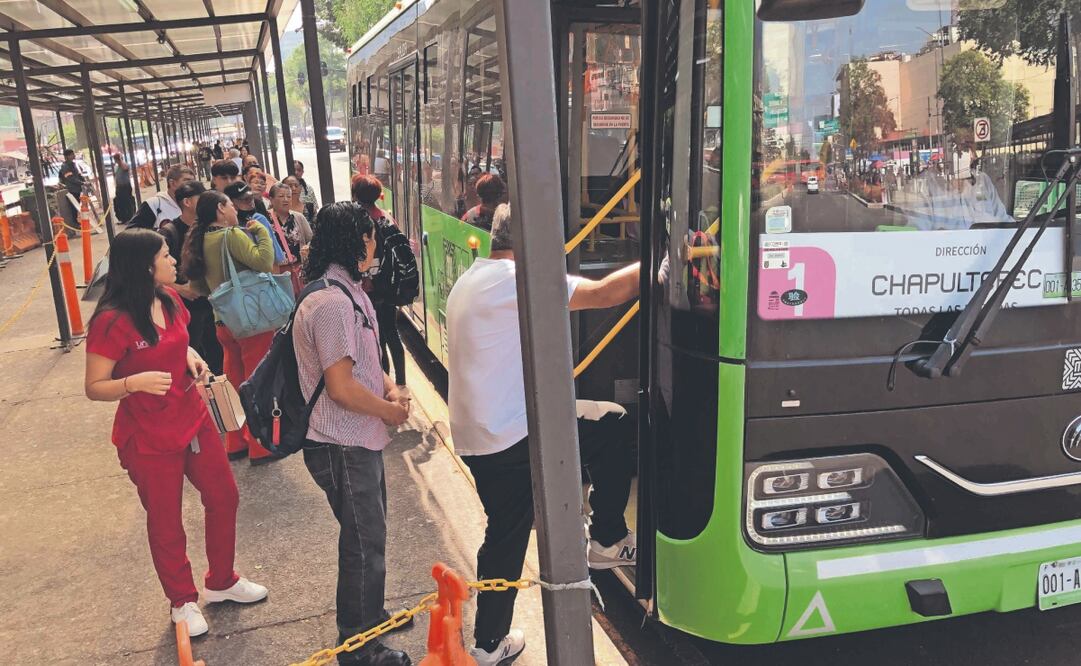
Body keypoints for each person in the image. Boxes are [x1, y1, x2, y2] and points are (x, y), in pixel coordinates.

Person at [446, 204, 639, 665]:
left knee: (506, 533)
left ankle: (489, 643)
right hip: (510, 436)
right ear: (533, 242)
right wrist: (662, 262)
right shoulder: (516, 281)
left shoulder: (474, 278)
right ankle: (607, 539)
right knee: (614, 425)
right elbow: (604, 293)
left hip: (481, 434)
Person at [84, 227, 268, 637]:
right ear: (146, 266)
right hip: (147, 435)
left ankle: (222, 581)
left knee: (223, 495)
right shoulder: (111, 321)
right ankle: (181, 600)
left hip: (193, 416)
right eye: (166, 255)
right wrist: (133, 383)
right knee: (166, 519)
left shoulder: (168, 300)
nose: (173, 261)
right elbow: (94, 386)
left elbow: (175, 341)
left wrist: (190, 354)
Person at [293, 201, 411, 666]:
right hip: (340, 442)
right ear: (355, 241)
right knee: (363, 545)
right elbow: (340, 387)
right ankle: (359, 648)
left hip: (359, 439)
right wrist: (389, 410)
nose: (375, 245)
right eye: (371, 237)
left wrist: (390, 388)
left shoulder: (350, 292)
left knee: (369, 539)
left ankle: (372, 617)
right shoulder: (330, 304)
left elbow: (366, 359)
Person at [182, 190, 277, 464]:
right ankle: (260, 445)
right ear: (221, 210)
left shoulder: (201, 241)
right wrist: (262, 233)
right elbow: (263, 263)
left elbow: (198, 287)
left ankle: (235, 441)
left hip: (223, 322)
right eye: (230, 205)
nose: (235, 209)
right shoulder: (230, 235)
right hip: (250, 322)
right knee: (257, 381)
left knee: (234, 381)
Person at [159, 181, 223, 376]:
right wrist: (180, 289)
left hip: (213, 304)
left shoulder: (208, 227)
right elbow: (152, 272)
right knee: (193, 354)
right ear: (187, 202)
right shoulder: (170, 232)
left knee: (217, 354)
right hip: (188, 307)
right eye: (200, 196)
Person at [352, 175, 407, 388]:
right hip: (388, 286)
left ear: (356, 194)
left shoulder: (356, 221)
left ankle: (384, 385)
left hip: (367, 288)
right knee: (391, 333)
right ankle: (401, 384)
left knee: (376, 338)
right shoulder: (385, 217)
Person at [268, 181, 313, 294]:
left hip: (298, 269)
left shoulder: (298, 217)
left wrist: (307, 248)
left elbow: (311, 239)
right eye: (281, 196)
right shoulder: (266, 219)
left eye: (289, 196)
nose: (286, 199)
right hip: (276, 271)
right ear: (271, 199)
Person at [129, 165, 196, 230]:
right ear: (172, 183)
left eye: (193, 182)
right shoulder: (153, 204)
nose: (192, 185)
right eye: (187, 181)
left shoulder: (195, 203)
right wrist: (160, 234)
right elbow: (132, 232)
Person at [113, 152, 136, 223]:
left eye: (117, 159)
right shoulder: (116, 167)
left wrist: (120, 160)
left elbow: (125, 168)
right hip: (119, 187)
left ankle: (130, 217)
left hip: (125, 187)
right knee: (119, 203)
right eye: (115, 159)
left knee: (127, 202)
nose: (116, 161)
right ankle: (123, 218)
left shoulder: (124, 165)